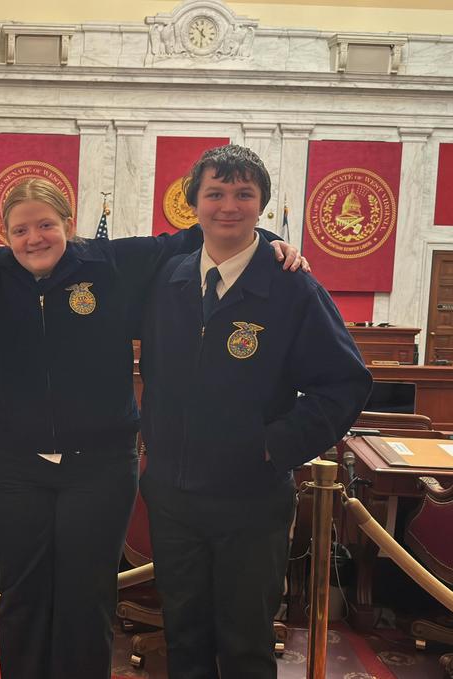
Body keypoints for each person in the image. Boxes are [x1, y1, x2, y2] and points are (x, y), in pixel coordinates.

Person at [0, 178, 305, 679]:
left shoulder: (111, 264)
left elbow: (194, 235)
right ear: (3, 233)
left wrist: (266, 243)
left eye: (46, 225)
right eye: (20, 229)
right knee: (21, 598)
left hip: (101, 467)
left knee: (86, 599)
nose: (34, 238)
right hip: (16, 468)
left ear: (68, 223)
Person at [138, 144, 372, 678]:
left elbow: (345, 382)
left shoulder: (291, 288)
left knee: (245, 643)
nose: (228, 205)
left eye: (244, 194)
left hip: (251, 499)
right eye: (215, 193)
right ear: (194, 203)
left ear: (262, 204)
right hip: (174, 498)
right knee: (184, 634)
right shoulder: (165, 283)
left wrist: (274, 446)